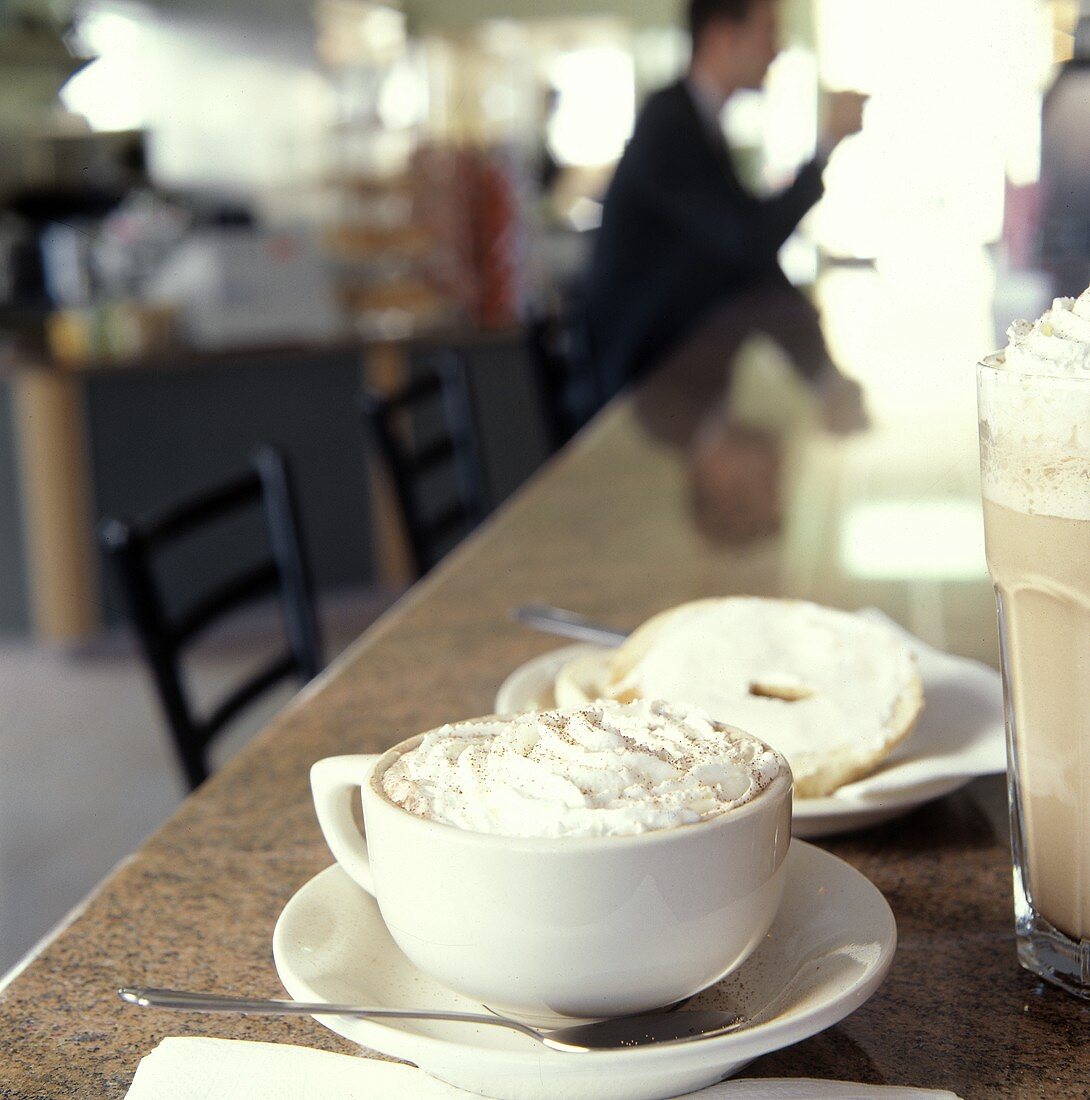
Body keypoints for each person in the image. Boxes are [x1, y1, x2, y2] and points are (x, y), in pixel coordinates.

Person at [585, 0, 860, 401]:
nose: (777, 48)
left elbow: (748, 249)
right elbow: (748, 240)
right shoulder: (670, 125)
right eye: (768, 31)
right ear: (720, 36)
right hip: (647, 390)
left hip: (683, 374)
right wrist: (826, 146)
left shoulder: (694, 119)